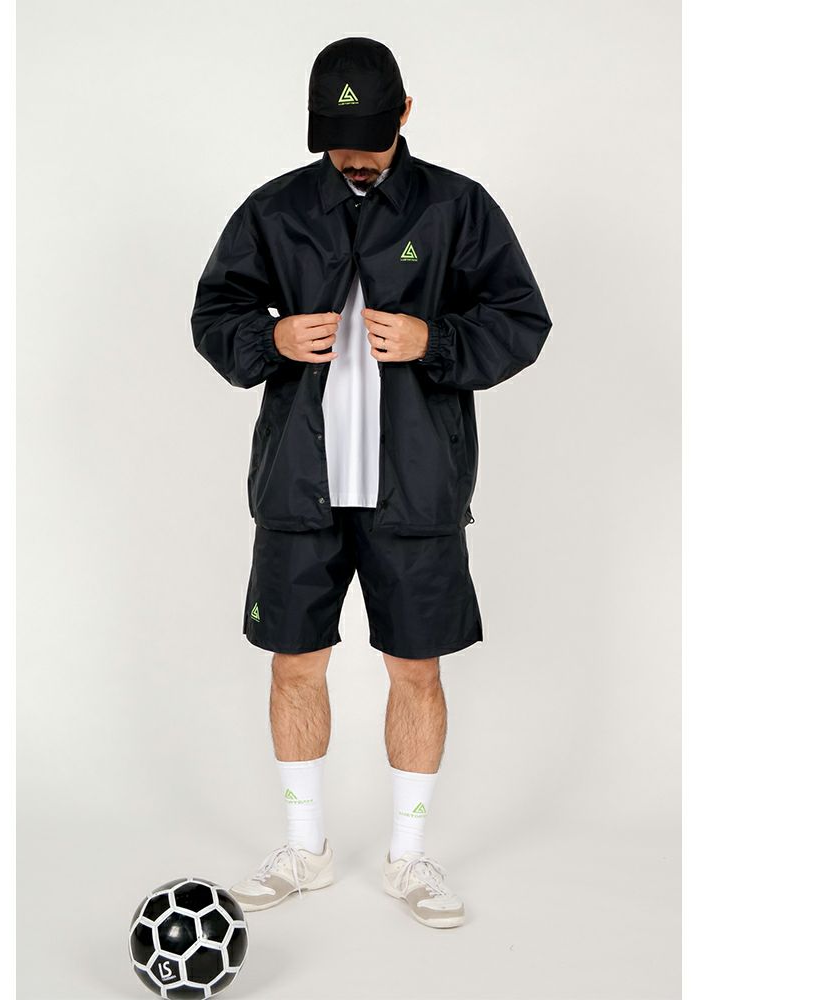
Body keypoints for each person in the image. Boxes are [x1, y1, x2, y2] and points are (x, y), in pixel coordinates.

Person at [191, 36, 552, 929]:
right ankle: (304, 849)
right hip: (299, 488)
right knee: (294, 665)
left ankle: (410, 858)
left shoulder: (458, 208)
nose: (352, 157)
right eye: (336, 141)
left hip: (416, 489)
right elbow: (215, 314)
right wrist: (270, 338)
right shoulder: (275, 210)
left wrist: (438, 341)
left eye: (369, 139)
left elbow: (521, 317)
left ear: (406, 114)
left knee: (415, 669)